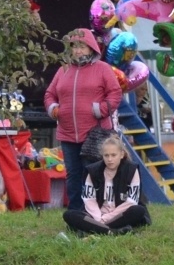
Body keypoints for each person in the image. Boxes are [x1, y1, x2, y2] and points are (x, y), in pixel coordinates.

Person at [43, 29, 123, 209]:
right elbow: (49, 94)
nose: (78, 51)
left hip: (95, 134)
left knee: (94, 175)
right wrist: (54, 109)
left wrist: (100, 109)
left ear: (91, 47)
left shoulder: (103, 69)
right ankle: (76, 215)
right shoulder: (63, 70)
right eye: (74, 47)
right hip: (67, 134)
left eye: (82, 46)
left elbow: (115, 93)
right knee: (73, 176)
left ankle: (98, 213)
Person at [63, 134, 150, 235]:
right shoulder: (93, 170)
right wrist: (98, 217)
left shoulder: (132, 169)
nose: (109, 159)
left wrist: (107, 218)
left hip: (120, 214)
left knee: (138, 210)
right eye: (106, 155)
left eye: (113, 155)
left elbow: (132, 201)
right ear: (102, 155)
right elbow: (89, 199)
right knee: (69, 215)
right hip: (97, 215)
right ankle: (112, 231)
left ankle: (94, 229)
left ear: (121, 154)